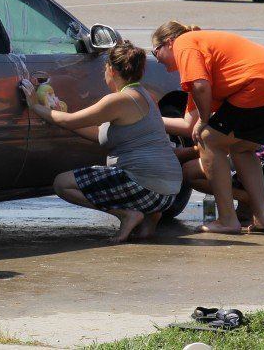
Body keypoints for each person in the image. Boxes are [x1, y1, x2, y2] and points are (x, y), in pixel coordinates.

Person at [151, 21, 264, 234]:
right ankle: (263, 217)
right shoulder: (204, 53)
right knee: (242, 148)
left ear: (169, 42)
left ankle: (227, 220)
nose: (156, 58)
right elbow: (190, 121)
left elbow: (200, 87)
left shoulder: (185, 43)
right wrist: (149, 118)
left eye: (155, 51)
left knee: (208, 138)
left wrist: (205, 122)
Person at [20, 42, 182, 244]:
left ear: (112, 70)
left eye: (105, 68)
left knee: (62, 184)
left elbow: (69, 121)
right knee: (140, 219)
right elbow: (98, 134)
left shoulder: (118, 100)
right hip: (169, 191)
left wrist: (35, 105)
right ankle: (150, 217)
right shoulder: (143, 95)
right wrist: (59, 113)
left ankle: (125, 214)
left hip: (145, 186)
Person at [171, 137, 264, 224]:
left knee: (189, 171)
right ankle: (249, 207)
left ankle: (250, 199)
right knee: (235, 154)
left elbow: (214, 147)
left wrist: (174, 153)